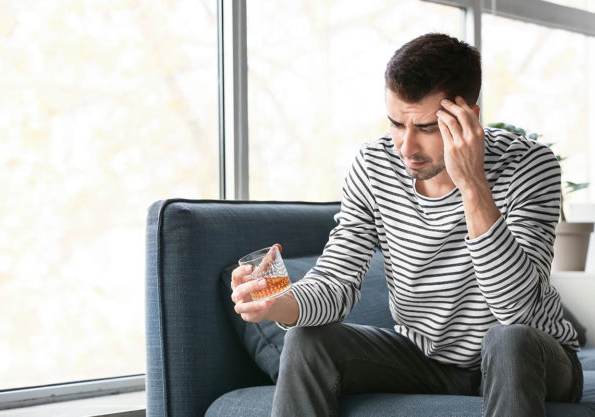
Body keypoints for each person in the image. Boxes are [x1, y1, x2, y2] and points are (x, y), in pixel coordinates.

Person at [230, 33, 583, 417]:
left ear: (469, 117)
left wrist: (473, 185)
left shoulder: (531, 166)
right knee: (305, 341)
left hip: (533, 357)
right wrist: (281, 305)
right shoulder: (373, 166)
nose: (406, 147)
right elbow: (336, 281)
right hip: (423, 359)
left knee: (509, 341)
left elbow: (519, 313)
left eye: (427, 128)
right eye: (397, 124)